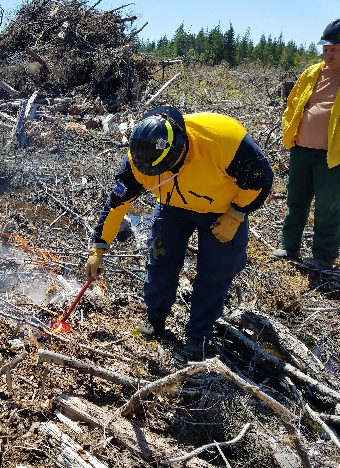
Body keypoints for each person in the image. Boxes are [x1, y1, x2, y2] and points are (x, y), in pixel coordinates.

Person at [85, 105, 274, 360]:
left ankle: (199, 335)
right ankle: (155, 318)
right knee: (160, 259)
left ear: (180, 149)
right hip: (172, 206)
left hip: (221, 210)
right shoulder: (139, 158)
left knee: (215, 272)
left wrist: (236, 214)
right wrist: (99, 246)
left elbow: (261, 180)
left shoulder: (224, 141)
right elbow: (117, 204)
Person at [272, 19, 340, 270]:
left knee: (327, 206)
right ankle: (289, 247)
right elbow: (292, 104)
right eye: (325, 49)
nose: (328, 55)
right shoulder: (312, 73)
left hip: (332, 156)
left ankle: (324, 256)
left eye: (335, 50)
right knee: (296, 200)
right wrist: (292, 134)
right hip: (301, 150)